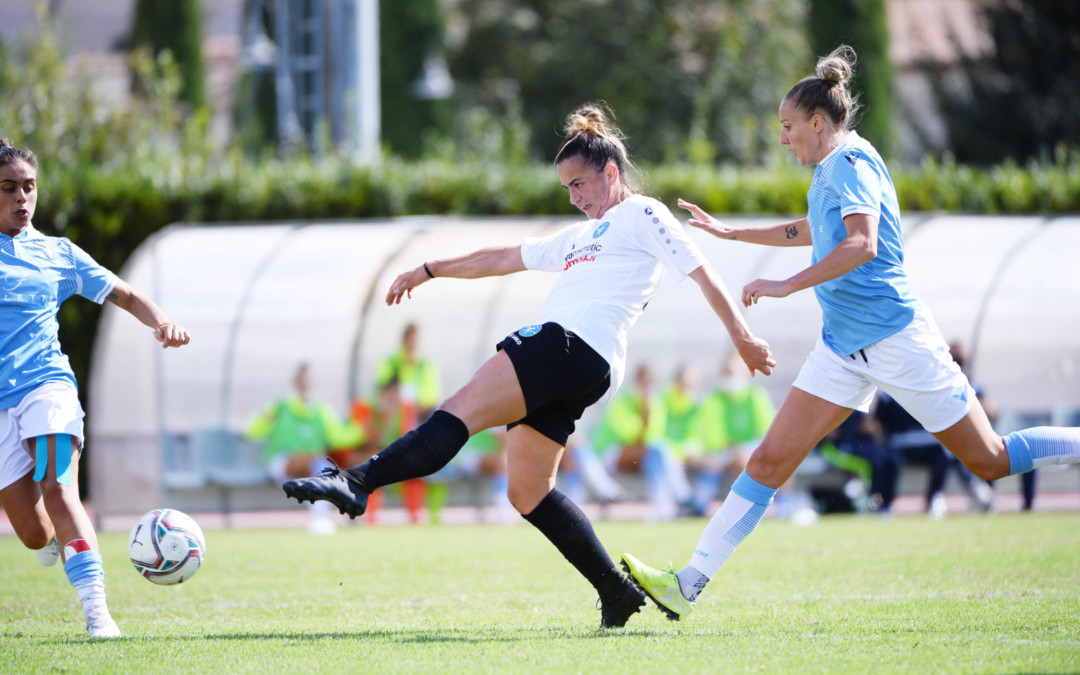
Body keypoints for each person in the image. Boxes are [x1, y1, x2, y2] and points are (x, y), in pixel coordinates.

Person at [619, 46, 1080, 622]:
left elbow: (859, 244)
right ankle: (685, 585)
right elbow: (812, 230)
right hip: (842, 350)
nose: (783, 139)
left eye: (788, 127)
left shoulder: (850, 164)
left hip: (897, 340)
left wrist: (788, 286)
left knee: (990, 460)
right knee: (767, 462)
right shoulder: (833, 166)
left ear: (817, 122)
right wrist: (733, 234)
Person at [283, 102, 775, 629]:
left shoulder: (641, 213)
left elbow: (700, 270)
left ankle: (355, 481)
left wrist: (743, 337)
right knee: (527, 491)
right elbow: (500, 257)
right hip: (582, 370)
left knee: (460, 409)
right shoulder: (581, 236)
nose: (574, 196)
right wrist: (431, 269)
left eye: (580, 183)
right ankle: (614, 590)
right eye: (566, 188)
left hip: (568, 346)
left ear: (611, 172)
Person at [0, 138, 191, 638]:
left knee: (60, 490)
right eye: (9, 189)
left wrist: (162, 323)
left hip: (47, 387)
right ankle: (53, 542)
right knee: (33, 532)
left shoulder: (56, 253)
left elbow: (124, 293)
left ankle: (97, 614)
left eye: (29, 187)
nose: (22, 198)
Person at [245, 363, 363, 535]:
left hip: (312, 465)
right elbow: (252, 432)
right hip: (282, 462)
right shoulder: (280, 406)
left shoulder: (320, 409)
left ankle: (322, 519)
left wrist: (361, 431)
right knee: (315, 463)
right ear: (295, 382)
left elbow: (337, 436)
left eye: (307, 380)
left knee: (325, 473)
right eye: (301, 380)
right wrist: (264, 419)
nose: (304, 384)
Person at [687, 353, 775, 516]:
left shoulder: (755, 395)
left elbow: (769, 427)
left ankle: (776, 504)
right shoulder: (714, 398)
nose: (729, 377)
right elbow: (710, 433)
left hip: (751, 448)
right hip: (723, 451)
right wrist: (726, 445)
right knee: (712, 464)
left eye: (732, 372)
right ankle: (701, 505)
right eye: (726, 372)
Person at [375, 322, 442, 523]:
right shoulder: (391, 363)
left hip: (419, 424)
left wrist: (413, 407)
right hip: (393, 426)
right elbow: (383, 392)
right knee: (377, 463)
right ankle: (371, 517)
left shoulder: (425, 365)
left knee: (427, 465)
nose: (412, 343)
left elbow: (431, 398)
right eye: (409, 339)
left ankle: (426, 516)